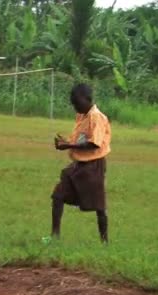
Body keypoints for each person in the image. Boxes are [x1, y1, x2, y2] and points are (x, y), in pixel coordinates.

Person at [51, 84, 112, 243]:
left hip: (93, 166)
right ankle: (54, 236)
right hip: (78, 165)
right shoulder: (81, 116)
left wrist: (69, 146)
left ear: (87, 100)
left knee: (99, 206)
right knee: (58, 196)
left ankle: (104, 241)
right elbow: (80, 139)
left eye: (77, 103)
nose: (75, 107)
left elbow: (94, 144)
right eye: (73, 104)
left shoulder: (96, 117)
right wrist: (66, 142)